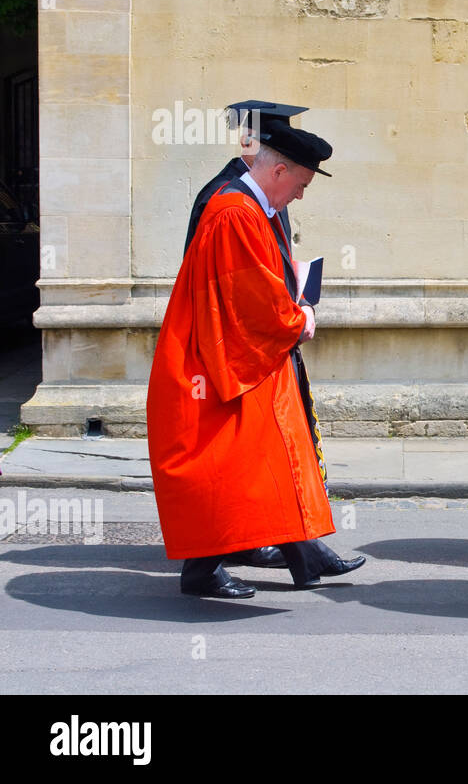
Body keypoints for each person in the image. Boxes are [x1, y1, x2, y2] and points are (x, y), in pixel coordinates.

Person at [147, 120, 364, 598]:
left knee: (271, 460)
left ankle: (302, 557)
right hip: (224, 363)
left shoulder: (244, 208)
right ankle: (201, 572)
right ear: (280, 170)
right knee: (236, 466)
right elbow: (252, 299)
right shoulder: (236, 213)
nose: (302, 196)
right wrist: (300, 318)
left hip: (237, 356)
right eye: (302, 185)